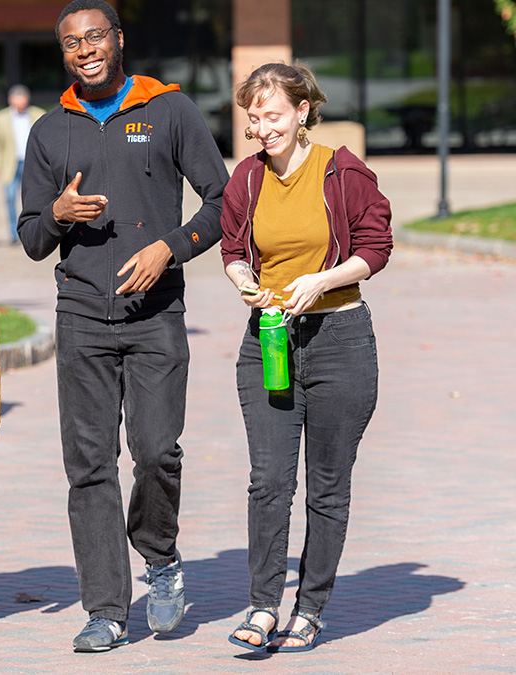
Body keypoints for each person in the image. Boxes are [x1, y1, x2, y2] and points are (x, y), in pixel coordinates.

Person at [18, 0, 229, 652]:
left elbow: (223, 200)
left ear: (118, 39)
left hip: (156, 314)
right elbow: (30, 237)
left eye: (95, 36)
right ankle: (106, 609)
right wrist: (56, 211)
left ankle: (160, 557)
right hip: (80, 316)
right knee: (89, 466)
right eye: (72, 42)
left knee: (157, 450)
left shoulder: (169, 110)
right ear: (65, 54)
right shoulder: (51, 131)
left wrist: (171, 246)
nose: (85, 49)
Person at [222, 62, 392, 654]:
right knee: (268, 480)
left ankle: (310, 608)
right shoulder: (246, 178)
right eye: (253, 117)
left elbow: (376, 246)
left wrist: (324, 281)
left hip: (339, 341)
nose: (261, 128)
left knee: (327, 486)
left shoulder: (342, 172)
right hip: (269, 337)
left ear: (301, 112)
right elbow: (234, 249)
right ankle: (264, 604)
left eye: (272, 115)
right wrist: (244, 281)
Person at [0, 84, 45, 243]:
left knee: (33, 199)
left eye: (23, 99)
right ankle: (14, 232)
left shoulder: (38, 114)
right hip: (10, 163)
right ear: (10, 100)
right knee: (10, 197)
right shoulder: (0, 118)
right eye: (17, 99)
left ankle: (34, 231)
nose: (20, 102)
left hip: (31, 162)